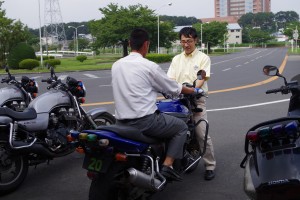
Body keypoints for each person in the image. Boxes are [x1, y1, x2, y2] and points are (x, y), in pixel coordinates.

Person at [111, 28, 201, 181]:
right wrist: (192, 90)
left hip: (120, 121)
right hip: (144, 121)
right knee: (181, 127)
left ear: (129, 43)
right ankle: (167, 166)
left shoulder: (117, 65)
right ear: (146, 44)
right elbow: (173, 87)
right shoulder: (149, 66)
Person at [167, 27, 216, 181]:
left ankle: (210, 165)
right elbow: (170, 79)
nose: (186, 44)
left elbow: (202, 78)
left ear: (195, 40)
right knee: (172, 129)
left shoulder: (203, 58)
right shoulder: (176, 59)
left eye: (189, 41)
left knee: (201, 132)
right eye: (183, 41)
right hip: (178, 99)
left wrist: (194, 89)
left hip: (196, 99)